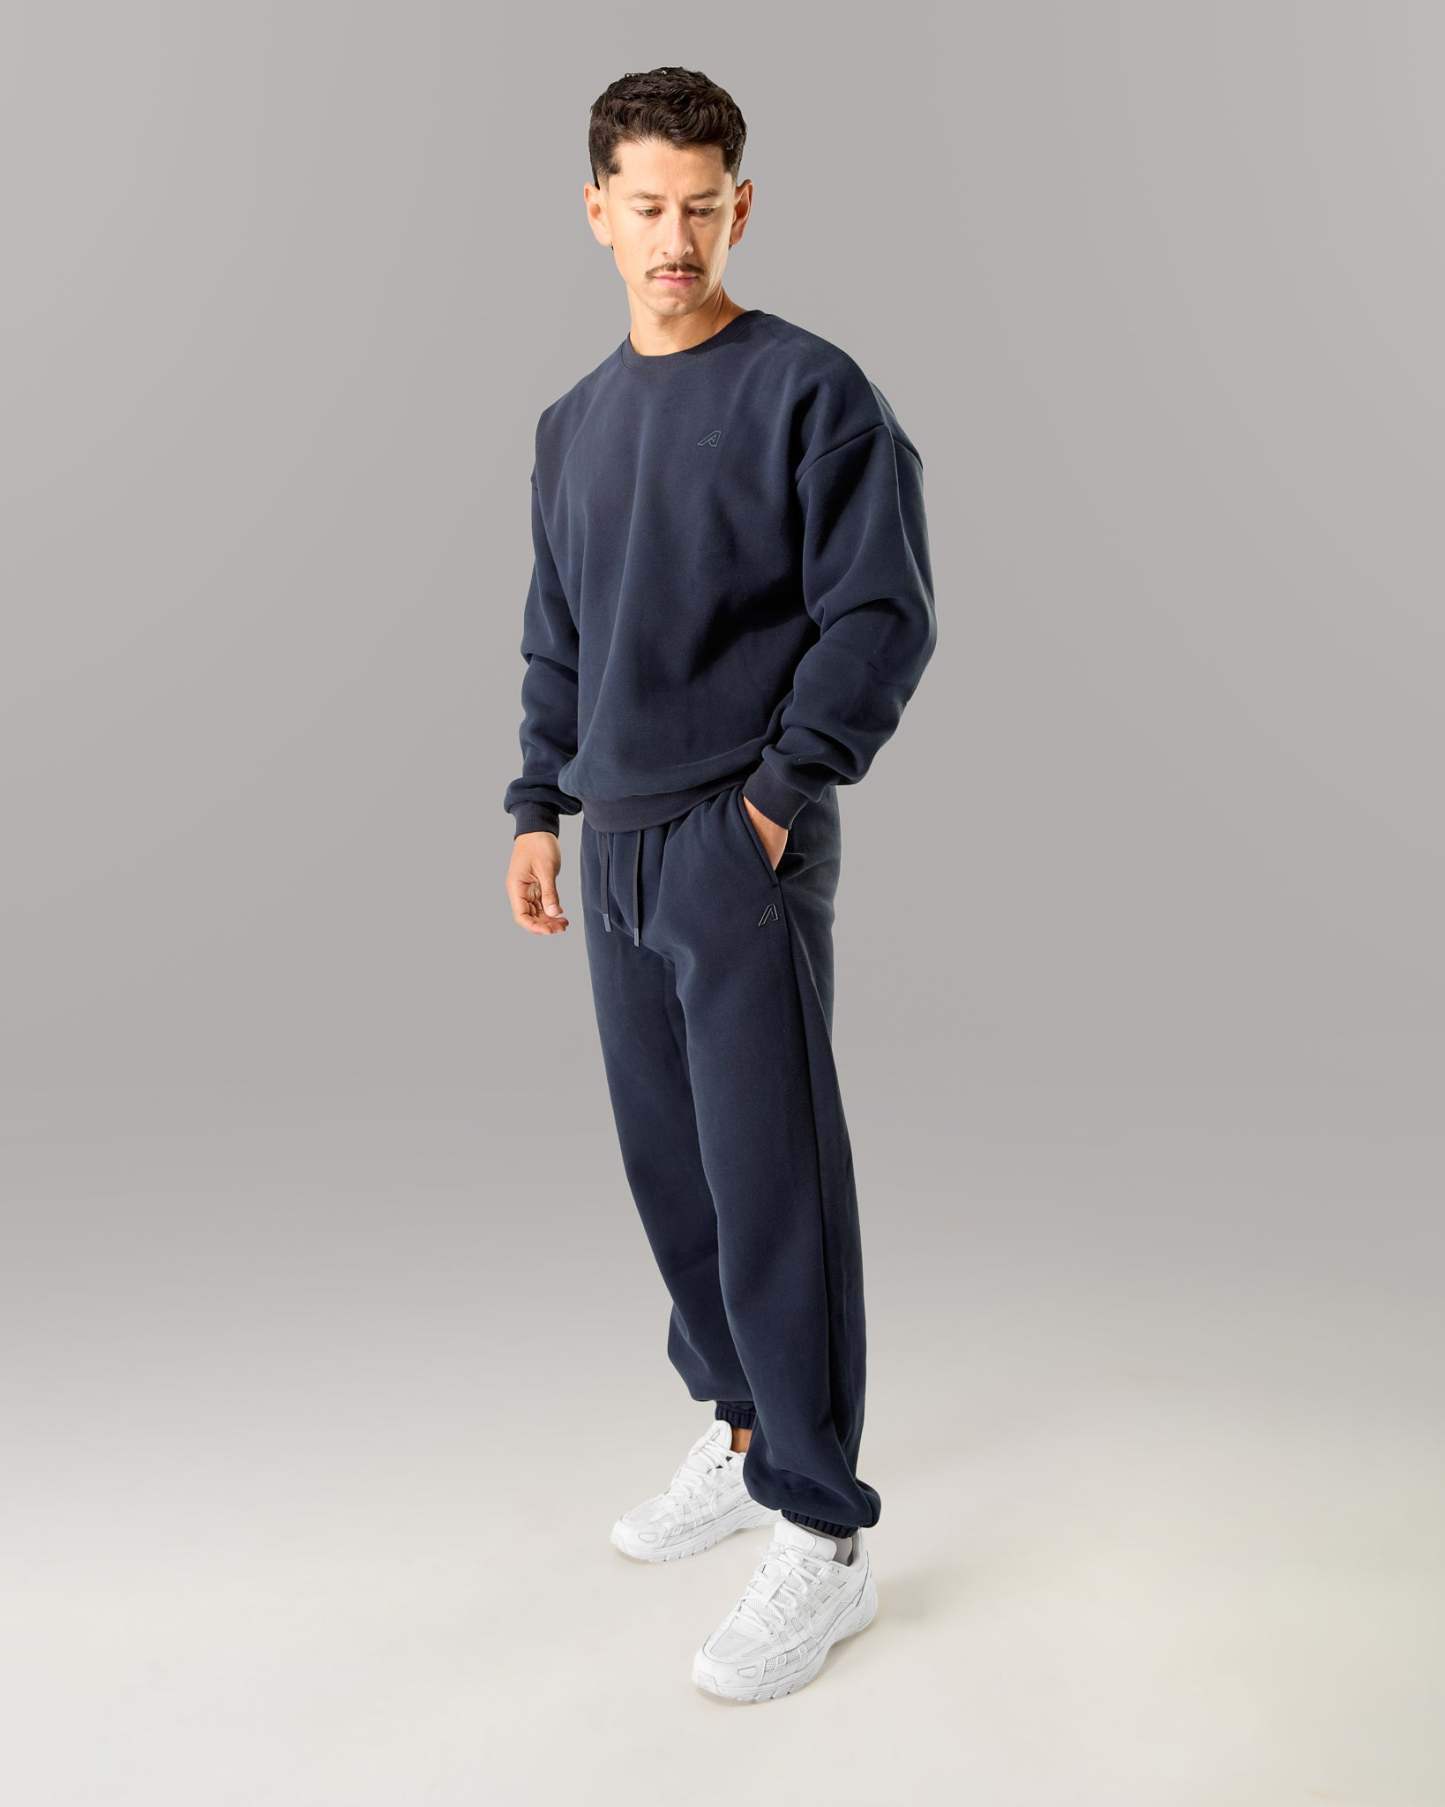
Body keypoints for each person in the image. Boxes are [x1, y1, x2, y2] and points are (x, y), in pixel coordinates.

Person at [503, 65, 937, 1703]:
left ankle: (821, 1535)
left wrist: (772, 802)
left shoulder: (809, 392)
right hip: (609, 841)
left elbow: (879, 612)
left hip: (732, 837)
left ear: (739, 206)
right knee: (672, 1175)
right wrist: (537, 805)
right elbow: (557, 634)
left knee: (771, 1182)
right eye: (646, 207)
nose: (673, 239)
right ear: (596, 212)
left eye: (701, 207)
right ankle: (744, 1430)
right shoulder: (571, 424)